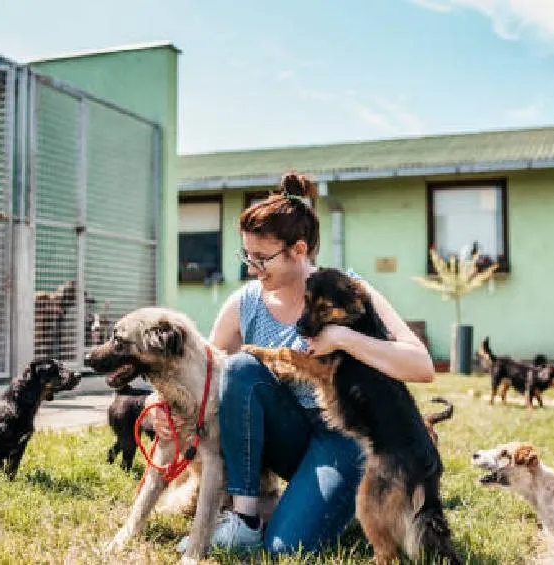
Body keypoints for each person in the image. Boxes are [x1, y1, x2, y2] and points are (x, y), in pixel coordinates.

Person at [181, 172, 435, 556]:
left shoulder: (347, 291)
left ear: (298, 250)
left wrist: (344, 338)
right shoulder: (245, 302)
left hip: (343, 440)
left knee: (286, 549)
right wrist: (160, 403)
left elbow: (421, 366)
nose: (251, 267)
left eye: (261, 258)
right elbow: (208, 374)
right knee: (238, 368)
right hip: (286, 436)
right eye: (246, 256)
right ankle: (245, 518)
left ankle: (335, 501)